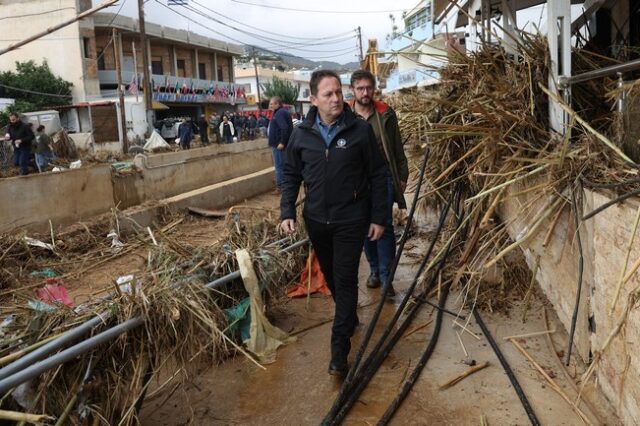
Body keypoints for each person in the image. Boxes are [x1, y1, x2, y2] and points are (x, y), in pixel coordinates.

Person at [280, 70, 388, 377]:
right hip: (316, 220)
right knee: (330, 275)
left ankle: (339, 351)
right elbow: (290, 176)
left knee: (345, 279)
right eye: (328, 94)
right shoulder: (301, 135)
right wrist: (286, 211)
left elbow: (379, 174)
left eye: (338, 92)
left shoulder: (359, 130)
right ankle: (348, 317)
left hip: (351, 220)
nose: (336, 99)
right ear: (313, 99)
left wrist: (379, 217)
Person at [350, 70, 409, 296]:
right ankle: (374, 270)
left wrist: (402, 176)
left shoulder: (385, 114)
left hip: (382, 176)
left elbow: (397, 147)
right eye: (360, 88)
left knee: (383, 227)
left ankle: (386, 277)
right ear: (353, 90)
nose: (365, 93)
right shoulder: (345, 116)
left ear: (373, 89)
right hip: (356, 181)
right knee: (365, 228)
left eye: (368, 88)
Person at [268, 96, 293, 192]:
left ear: (277, 104)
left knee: (279, 166)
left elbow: (284, 128)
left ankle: (281, 187)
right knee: (281, 165)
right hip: (278, 144)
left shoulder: (279, 113)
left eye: (271, 103)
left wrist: (282, 142)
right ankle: (283, 186)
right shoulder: (279, 112)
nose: (270, 105)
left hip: (279, 145)